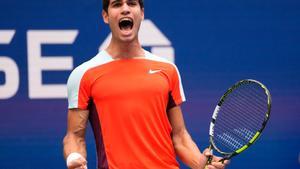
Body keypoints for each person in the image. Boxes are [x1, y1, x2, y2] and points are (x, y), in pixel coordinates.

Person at [63, 0, 229, 169]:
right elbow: (74, 136)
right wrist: (74, 158)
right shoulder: (83, 74)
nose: (125, 9)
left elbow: (179, 136)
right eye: (117, 4)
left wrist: (202, 164)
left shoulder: (167, 69)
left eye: (132, 3)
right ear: (106, 16)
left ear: (141, 13)